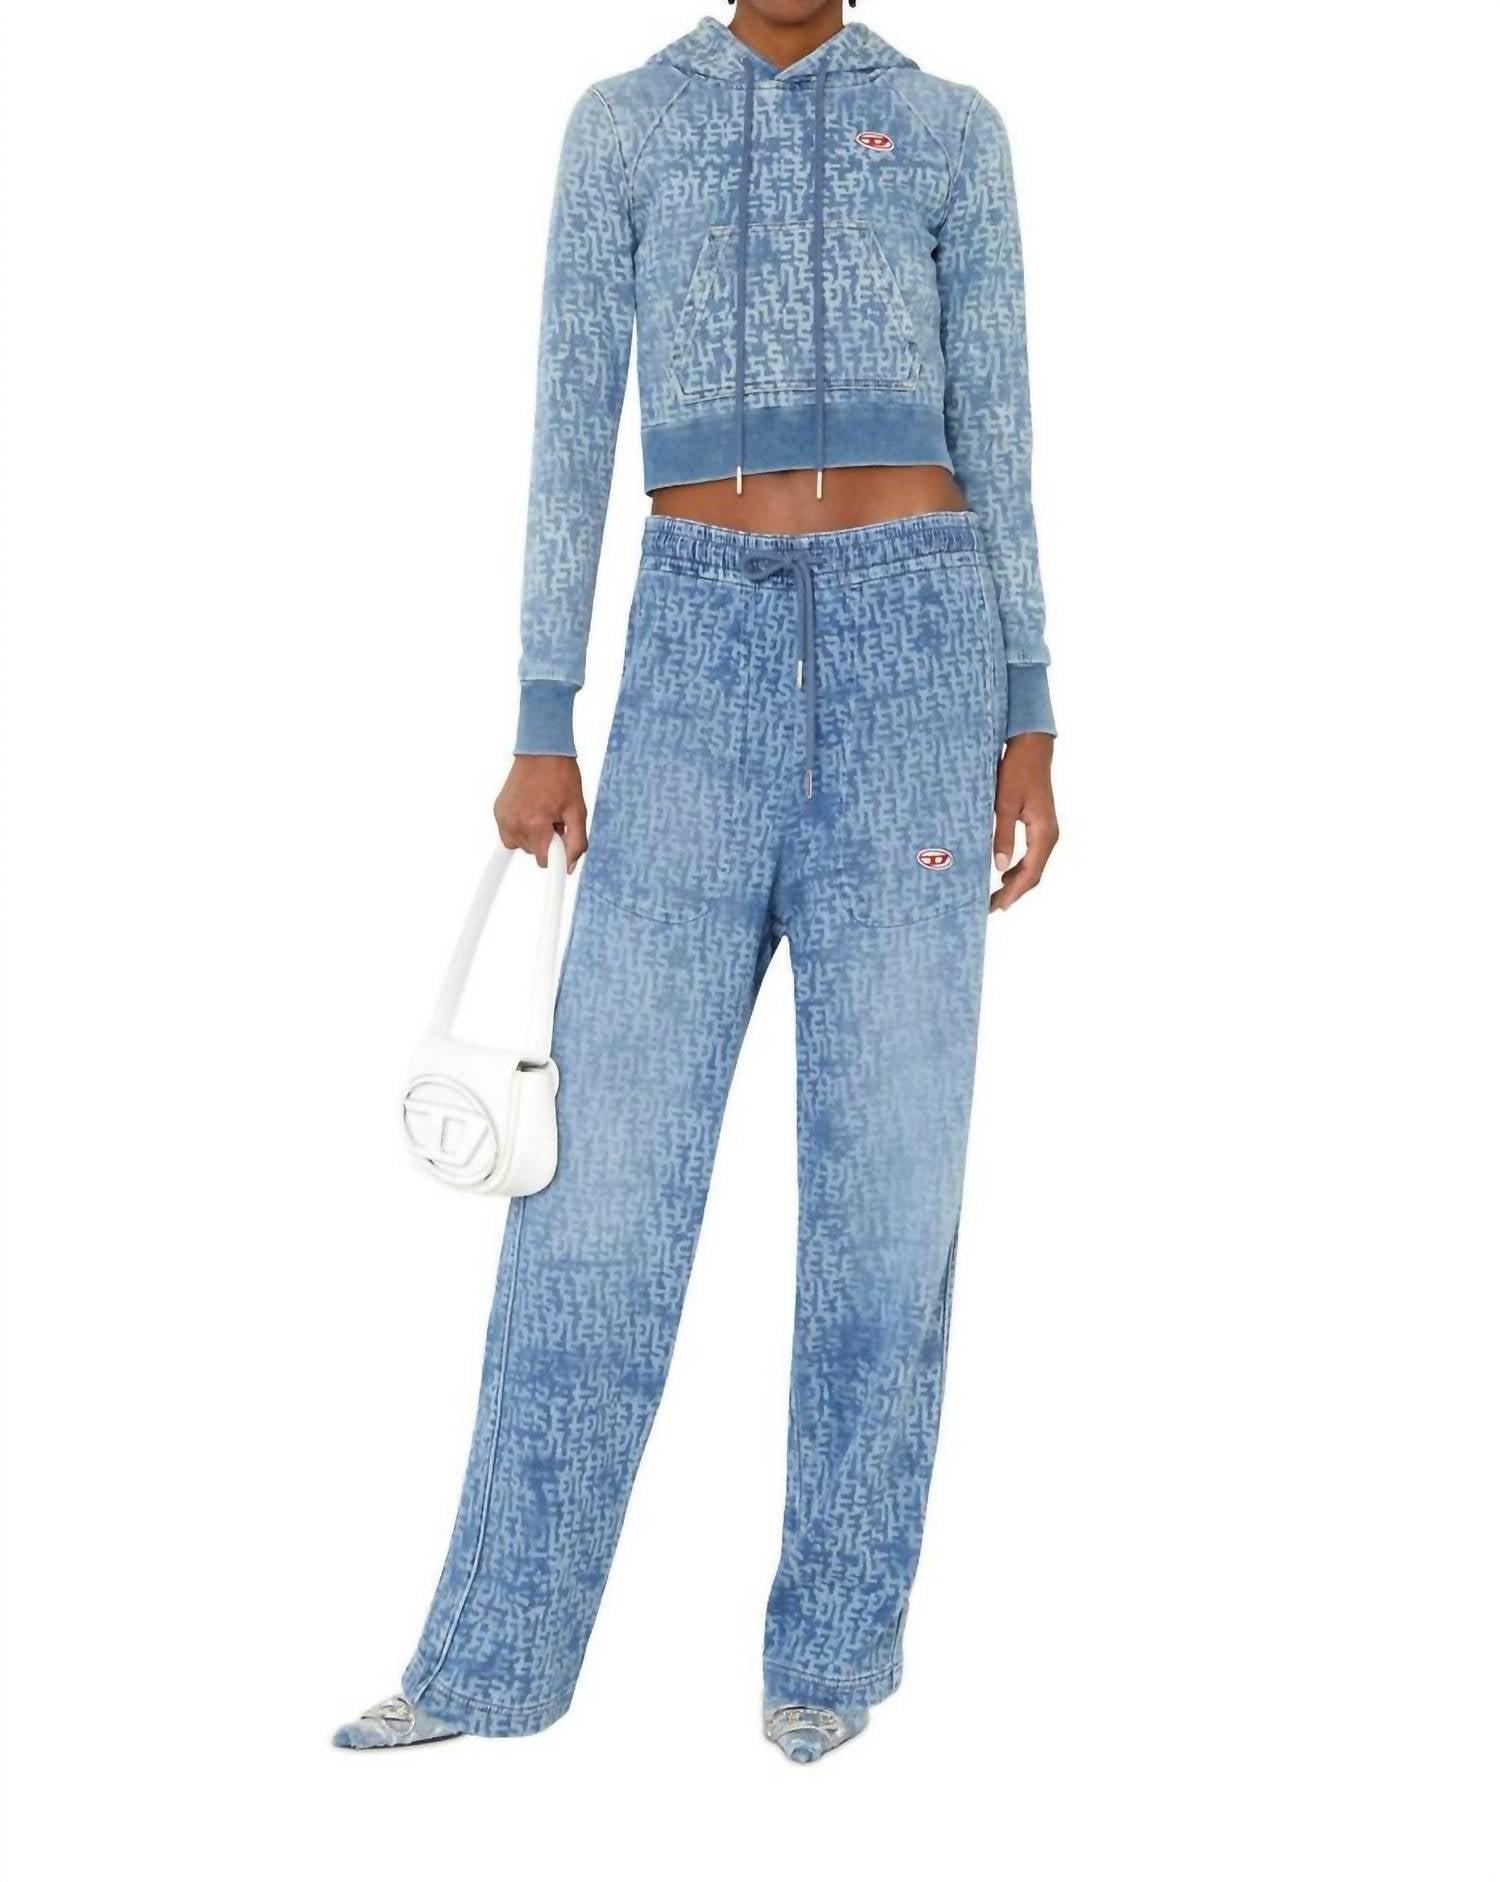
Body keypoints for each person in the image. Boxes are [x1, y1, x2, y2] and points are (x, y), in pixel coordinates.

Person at [336, 0, 1059, 1763]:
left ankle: (832, 1655)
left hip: (920, 649)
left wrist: (1029, 707)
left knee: (891, 1199)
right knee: (595, 1197)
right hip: (690, 661)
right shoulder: (624, 125)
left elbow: (1002, 420)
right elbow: (568, 418)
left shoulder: (951, 127)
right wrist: (542, 711)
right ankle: (491, 1658)